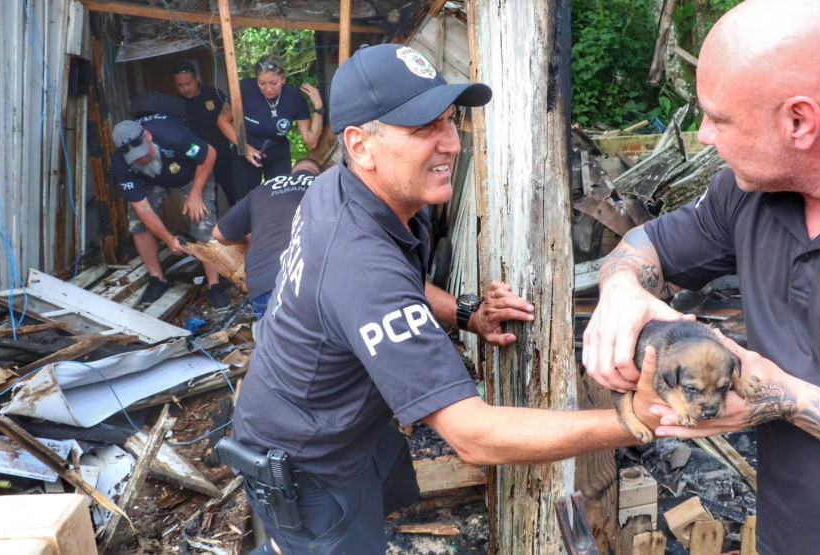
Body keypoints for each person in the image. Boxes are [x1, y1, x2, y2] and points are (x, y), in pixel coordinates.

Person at [231, 44, 668, 555]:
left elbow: (400, 282)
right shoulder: (358, 261)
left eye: (449, 120)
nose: (451, 143)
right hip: (306, 458)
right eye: (423, 130)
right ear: (360, 145)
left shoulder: (346, 187)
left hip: (336, 423)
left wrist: (467, 315)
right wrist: (632, 420)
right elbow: (471, 435)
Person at [581, 1, 820, 553]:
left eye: (718, 118)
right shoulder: (748, 191)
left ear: (799, 121)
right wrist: (621, 290)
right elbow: (645, 245)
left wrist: (788, 398)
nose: (703, 136)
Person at [111, 117, 230, 310]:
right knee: (136, 222)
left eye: (143, 152)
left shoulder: (172, 135)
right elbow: (142, 207)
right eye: (135, 158)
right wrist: (168, 239)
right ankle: (157, 279)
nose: (141, 158)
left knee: (202, 219)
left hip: (192, 173)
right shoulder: (120, 163)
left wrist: (195, 194)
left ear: (147, 136)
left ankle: (214, 285)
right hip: (152, 179)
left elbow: (209, 154)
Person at [211, 158, 321, 319]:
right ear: (318, 173)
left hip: (263, 284)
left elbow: (219, 233)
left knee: (276, 343)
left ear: (292, 172)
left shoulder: (263, 188)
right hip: (311, 281)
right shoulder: (326, 185)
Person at [217, 55, 324, 202]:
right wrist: (245, 148)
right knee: (245, 201)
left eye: (274, 83)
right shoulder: (244, 89)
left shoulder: (293, 98)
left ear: (283, 78)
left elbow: (311, 141)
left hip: (278, 155)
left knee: (280, 199)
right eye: (262, 83)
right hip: (246, 153)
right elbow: (223, 121)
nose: (268, 89)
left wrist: (318, 108)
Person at [171, 61, 236, 207]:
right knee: (207, 205)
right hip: (198, 163)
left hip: (224, 158)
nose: (185, 89)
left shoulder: (214, 95)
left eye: (188, 83)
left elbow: (232, 121)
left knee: (236, 198)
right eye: (180, 85)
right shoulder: (176, 105)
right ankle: (212, 230)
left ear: (196, 79)